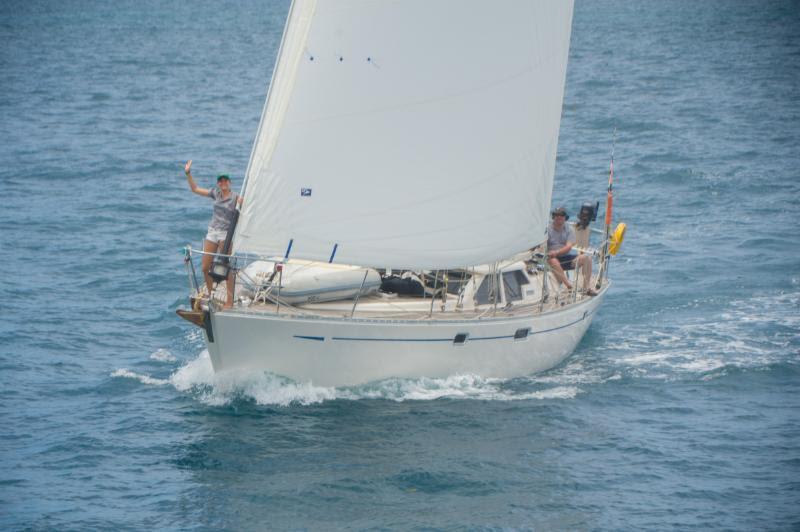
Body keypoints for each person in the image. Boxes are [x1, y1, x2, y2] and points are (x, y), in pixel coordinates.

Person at [184, 160, 243, 309]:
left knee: (227, 268)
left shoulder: (236, 198)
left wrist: (243, 203)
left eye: (225, 180)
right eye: (220, 181)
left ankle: (229, 301)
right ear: (218, 183)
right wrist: (188, 173)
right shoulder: (215, 193)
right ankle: (212, 295)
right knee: (205, 267)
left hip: (225, 234)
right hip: (213, 232)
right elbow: (195, 189)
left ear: (229, 182)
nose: (223, 183)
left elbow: (247, 209)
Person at [546, 206, 597, 296]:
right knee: (553, 260)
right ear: (553, 217)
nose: (559, 217)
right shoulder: (547, 230)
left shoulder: (569, 229)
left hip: (566, 257)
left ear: (565, 217)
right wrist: (551, 254)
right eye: (557, 215)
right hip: (552, 258)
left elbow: (569, 246)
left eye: (562, 215)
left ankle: (586, 288)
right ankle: (569, 286)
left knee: (587, 258)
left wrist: (556, 252)